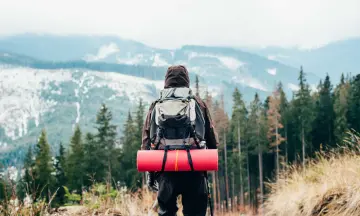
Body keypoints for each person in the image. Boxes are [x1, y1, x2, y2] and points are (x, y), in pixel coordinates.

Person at [141, 65, 219, 216]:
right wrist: (207, 159)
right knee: (195, 212)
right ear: (186, 80)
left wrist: (151, 173)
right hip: (194, 168)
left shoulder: (156, 105)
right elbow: (211, 138)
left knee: (167, 212)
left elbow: (146, 141)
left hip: (165, 168)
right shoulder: (198, 103)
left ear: (166, 82)